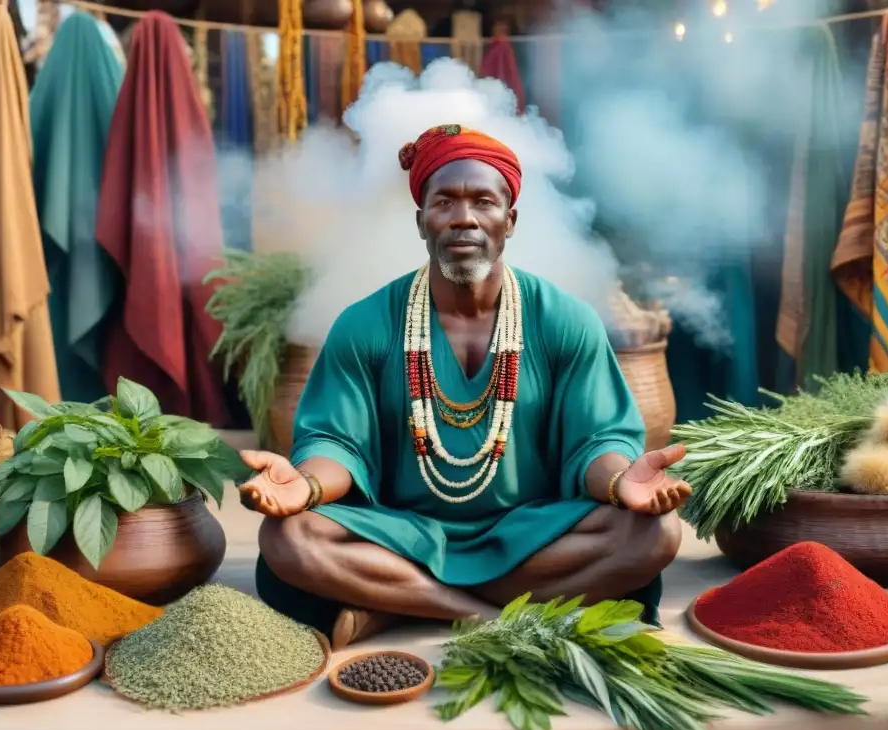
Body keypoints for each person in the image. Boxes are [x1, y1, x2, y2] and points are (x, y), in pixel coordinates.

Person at [239, 125, 692, 650]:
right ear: (421, 221)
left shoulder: (566, 320)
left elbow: (598, 439)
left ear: (510, 220)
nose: (464, 218)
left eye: (484, 201)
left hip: (531, 533)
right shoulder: (364, 324)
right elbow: (334, 442)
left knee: (655, 535)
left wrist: (621, 483)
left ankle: (394, 603)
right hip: (400, 532)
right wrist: (306, 485)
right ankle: (479, 618)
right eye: (444, 202)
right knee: (289, 537)